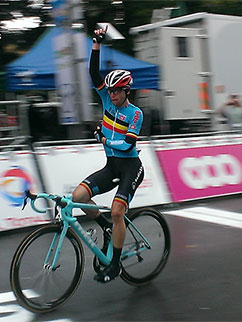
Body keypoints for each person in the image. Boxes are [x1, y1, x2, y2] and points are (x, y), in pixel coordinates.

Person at [72, 27, 144, 283]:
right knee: (78, 196)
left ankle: (114, 264)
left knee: (117, 212)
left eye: (117, 91)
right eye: (110, 91)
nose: (112, 95)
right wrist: (95, 43)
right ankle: (105, 229)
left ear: (127, 91)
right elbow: (93, 72)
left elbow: (126, 145)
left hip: (130, 167)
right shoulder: (105, 99)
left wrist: (103, 138)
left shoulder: (135, 114)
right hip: (111, 166)